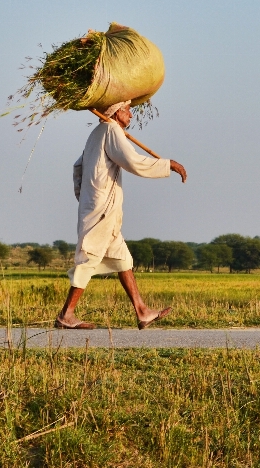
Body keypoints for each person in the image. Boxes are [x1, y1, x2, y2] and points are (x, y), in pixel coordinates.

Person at [56, 100, 187, 329]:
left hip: (99, 206)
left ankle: (142, 310)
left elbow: (78, 167)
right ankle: (66, 315)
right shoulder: (112, 130)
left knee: (122, 259)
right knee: (90, 257)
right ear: (117, 113)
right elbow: (133, 162)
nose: (131, 116)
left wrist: (83, 195)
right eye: (127, 111)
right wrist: (168, 165)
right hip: (102, 209)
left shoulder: (97, 132)